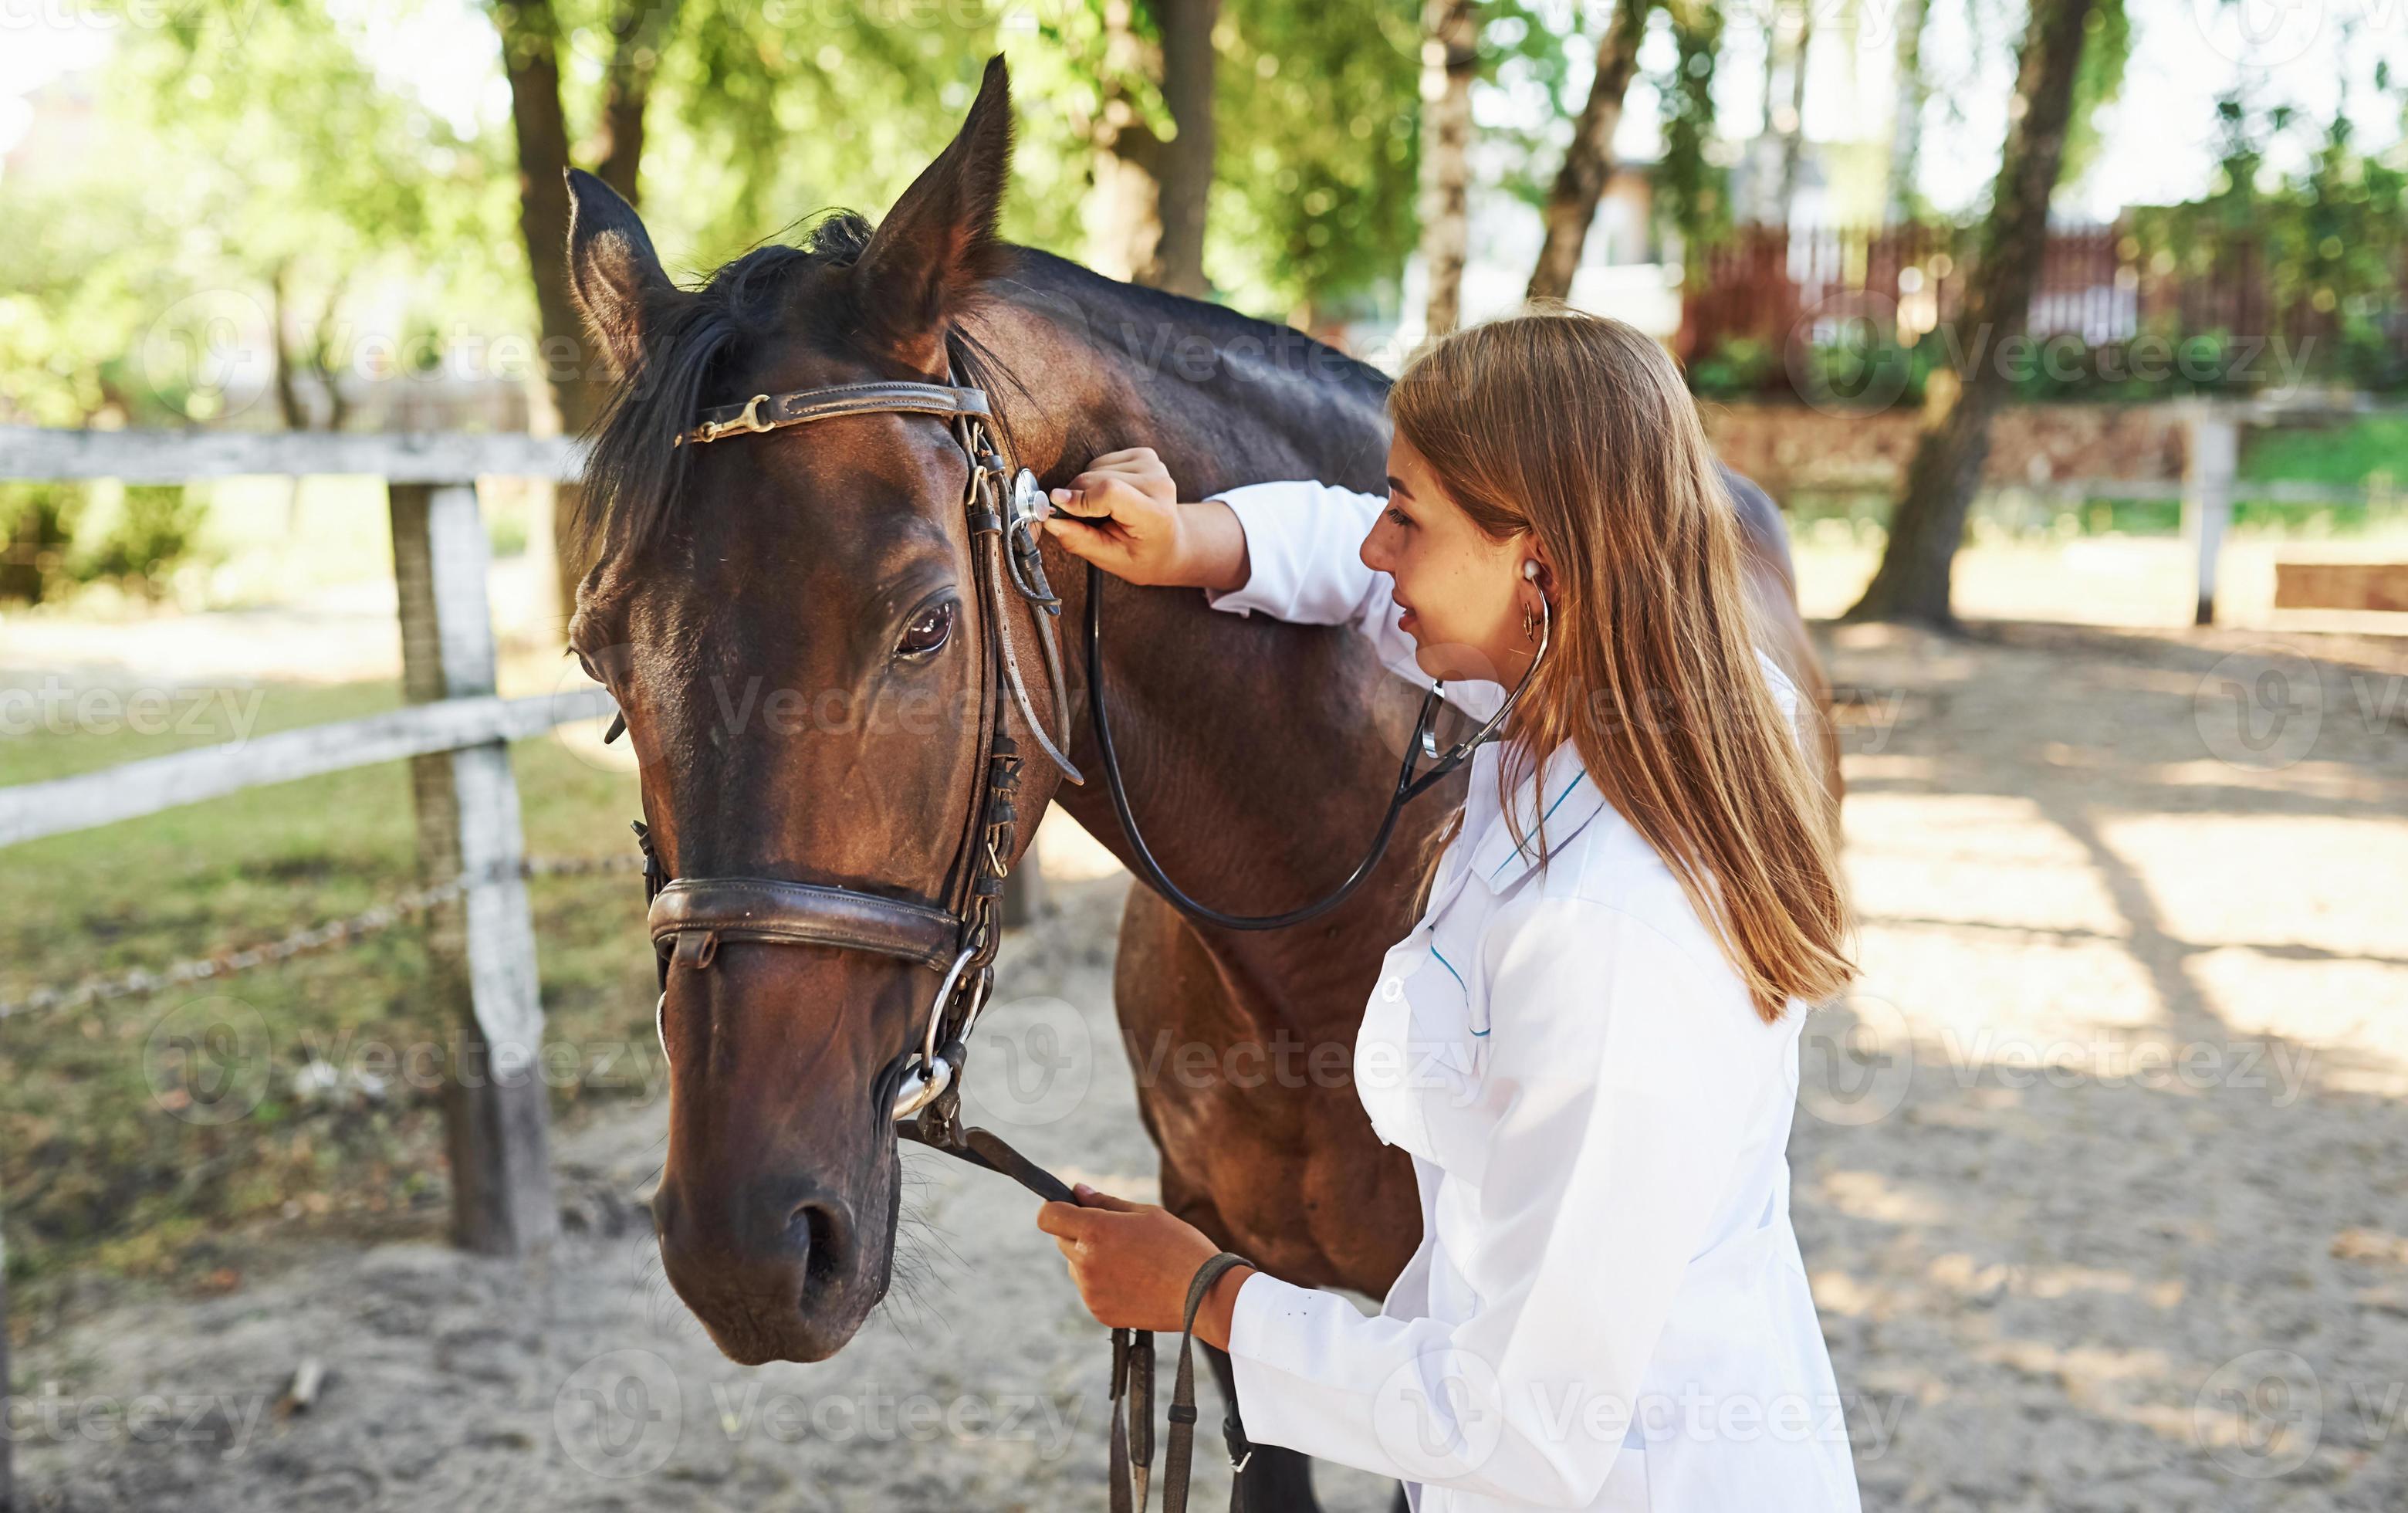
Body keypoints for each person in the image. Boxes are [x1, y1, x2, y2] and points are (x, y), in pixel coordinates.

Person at [1033, 307, 1861, 1511]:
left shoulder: (1611, 937)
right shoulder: (1633, 695)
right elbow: (1360, 576)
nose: (1374, 551)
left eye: (1405, 516)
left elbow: (1521, 1426)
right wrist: (1200, 538)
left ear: (1541, 566)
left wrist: (1208, 1293)